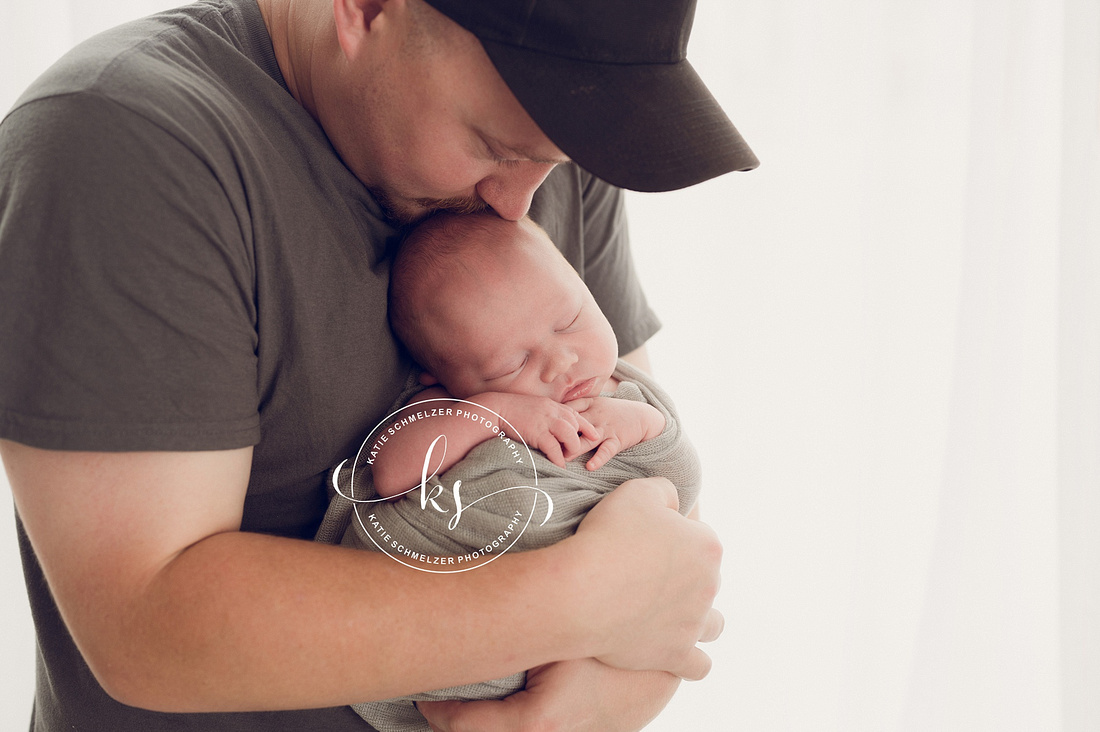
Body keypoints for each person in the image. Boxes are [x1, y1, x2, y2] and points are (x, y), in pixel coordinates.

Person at [0, 0, 757, 730]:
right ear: (364, 6)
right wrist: (581, 603)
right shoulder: (126, 144)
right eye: (495, 149)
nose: (520, 204)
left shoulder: (543, 137)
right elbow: (148, 626)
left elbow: (645, 494)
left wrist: (621, 692)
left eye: (553, 161)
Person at [320, 211, 703, 732]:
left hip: (586, 631)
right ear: (445, 378)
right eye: (510, 365)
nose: (561, 361)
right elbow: (391, 475)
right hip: (455, 617)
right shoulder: (449, 407)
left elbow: (678, 483)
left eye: (569, 321)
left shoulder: (627, 394)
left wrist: (639, 424)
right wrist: (491, 413)